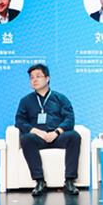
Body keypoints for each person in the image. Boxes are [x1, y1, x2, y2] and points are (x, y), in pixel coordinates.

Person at [15, 64, 80, 196]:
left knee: (74, 136)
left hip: (57, 137)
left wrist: (56, 132)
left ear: (47, 78)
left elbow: (69, 119)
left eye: (38, 76)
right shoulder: (25, 101)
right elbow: (19, 121)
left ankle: (69, 181)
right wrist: (37, 131)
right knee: (26, 139)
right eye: (31, 77)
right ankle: (39, 181)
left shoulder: (60, 98)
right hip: (38, 138)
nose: (34, 80)